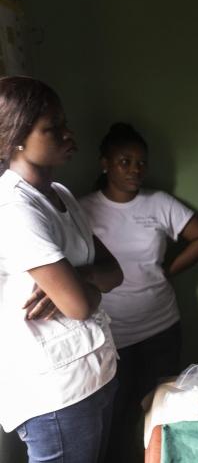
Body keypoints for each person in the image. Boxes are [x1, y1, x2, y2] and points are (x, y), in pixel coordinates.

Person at [0, 76, 123, 462]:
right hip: (56, 391)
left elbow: (114, 270)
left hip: (93, 370)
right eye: (52, 128)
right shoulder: (15, 209)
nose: (68, 134)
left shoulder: (60, 194)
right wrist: (77, 287)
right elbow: (78, 307)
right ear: (16, 137)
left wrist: (79, 276)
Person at [78, 122, 198, 461]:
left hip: (160, 326)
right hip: (111, 332)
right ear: (105, 163)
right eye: (125, 161)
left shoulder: (158, 203)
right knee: (116, 414)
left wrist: (168, 270)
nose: (135, 170)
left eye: (141, 162)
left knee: (162, 410)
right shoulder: (82, 209)